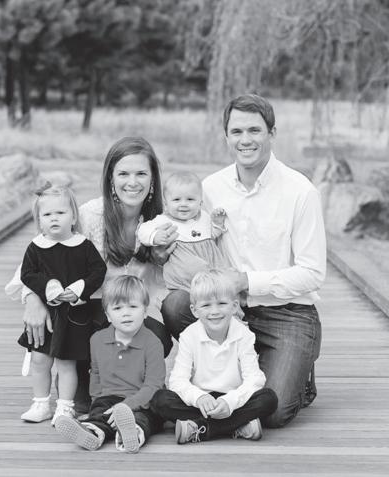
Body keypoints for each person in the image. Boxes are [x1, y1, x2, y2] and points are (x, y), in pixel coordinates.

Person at [161, 94, 326, 429]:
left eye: (254, 130)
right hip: (227, 310)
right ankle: (227, 373)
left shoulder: (300, 191)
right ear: (226, 137)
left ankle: (297, 372)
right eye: (236, 131)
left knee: (275, 412)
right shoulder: (210, 188)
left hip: (287, 312)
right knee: (176, 304)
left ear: (272, 133)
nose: (245, 140)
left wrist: (245, 281)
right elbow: (189, 237)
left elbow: (312, 273)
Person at [15, 136, 176, 415]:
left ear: (153, 179)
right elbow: (36, 261)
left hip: (133, 316)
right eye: (123, 174)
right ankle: (82, 375)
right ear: (110, 178)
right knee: (83, 404)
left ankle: (127, 383)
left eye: (141, 173)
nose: (132, 182)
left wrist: (164, 259)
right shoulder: (89, 216)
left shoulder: (163, 222)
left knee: (157, 335)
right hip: (86, 317)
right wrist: (33, 300)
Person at [151, 270, 278, 444]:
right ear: (194, 310)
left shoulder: (244, 335)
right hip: (202, 402)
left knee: (268, 399)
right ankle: (237, 426)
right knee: (160, 400)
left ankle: (201, 429)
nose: (215, 311)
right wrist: (199, 398)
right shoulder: (189, 336)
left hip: (233, 400)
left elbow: (254, 379)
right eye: (206, 305)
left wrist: (229, 401)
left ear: (234, 306)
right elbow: (177, 380)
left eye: (222, 303)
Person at [15, 185, 106, 423]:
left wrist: (79, 290)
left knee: (67, 363)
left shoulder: (83, 246)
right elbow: (27, 274)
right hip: (48, 315)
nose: (54, 218)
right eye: (47, 214)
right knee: (40, 360)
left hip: (75, 315)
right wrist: (47, 286)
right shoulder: (36, 247)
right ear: (39, 221)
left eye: (60, 213)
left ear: (73, 217)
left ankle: (65, 406)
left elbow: (98, 271)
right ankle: (41, 403)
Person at [55, 275, 165, 453]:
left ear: (145, 311)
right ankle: (92, 433)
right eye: (118, 308)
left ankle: (132, 435)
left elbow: (154, 385)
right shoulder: (97, 340)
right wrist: (95, 403)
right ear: (107, 315)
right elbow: (96, 374)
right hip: (109, 398)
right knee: (100, 415)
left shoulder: (152, 343)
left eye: (133, 306)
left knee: (144, 419)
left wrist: (128, 405)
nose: (126, 313)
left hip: (143, 400)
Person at [136, 171, 230, 293]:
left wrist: (217, 224)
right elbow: (142, 230)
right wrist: (154, 236)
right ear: (166, 203)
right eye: (176, 200)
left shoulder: (204, 217)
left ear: (200, 202)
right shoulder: (164, 220)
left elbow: (210, 236)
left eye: (190, 199)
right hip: (182, 278)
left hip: (211, 272)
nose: (184, 204)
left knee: (224, 281)